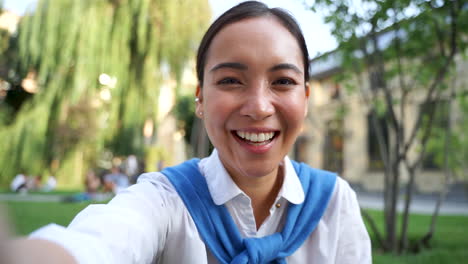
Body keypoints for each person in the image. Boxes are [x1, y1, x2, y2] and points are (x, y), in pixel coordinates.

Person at [3, 1, 371, 263]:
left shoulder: (334, 204)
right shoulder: (166, 201)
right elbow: (104, 241)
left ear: (305, 98)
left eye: (283, 81)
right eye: (230, 80)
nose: (259, 106)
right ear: (200, 98)